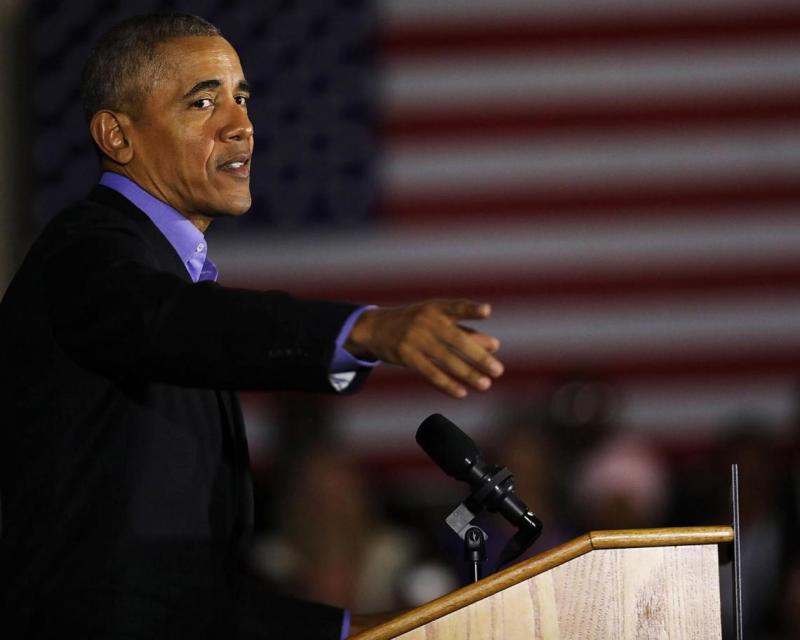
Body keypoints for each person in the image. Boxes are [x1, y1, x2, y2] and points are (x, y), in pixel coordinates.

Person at [0, 13, 503, 639]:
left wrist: (371, 630)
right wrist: (362, 330)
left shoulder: (164, 282)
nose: (241, 126)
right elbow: (176, 323)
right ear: (117, 136)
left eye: (241, 98)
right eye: (203, 102)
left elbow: (185, 597)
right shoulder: (86, 255)